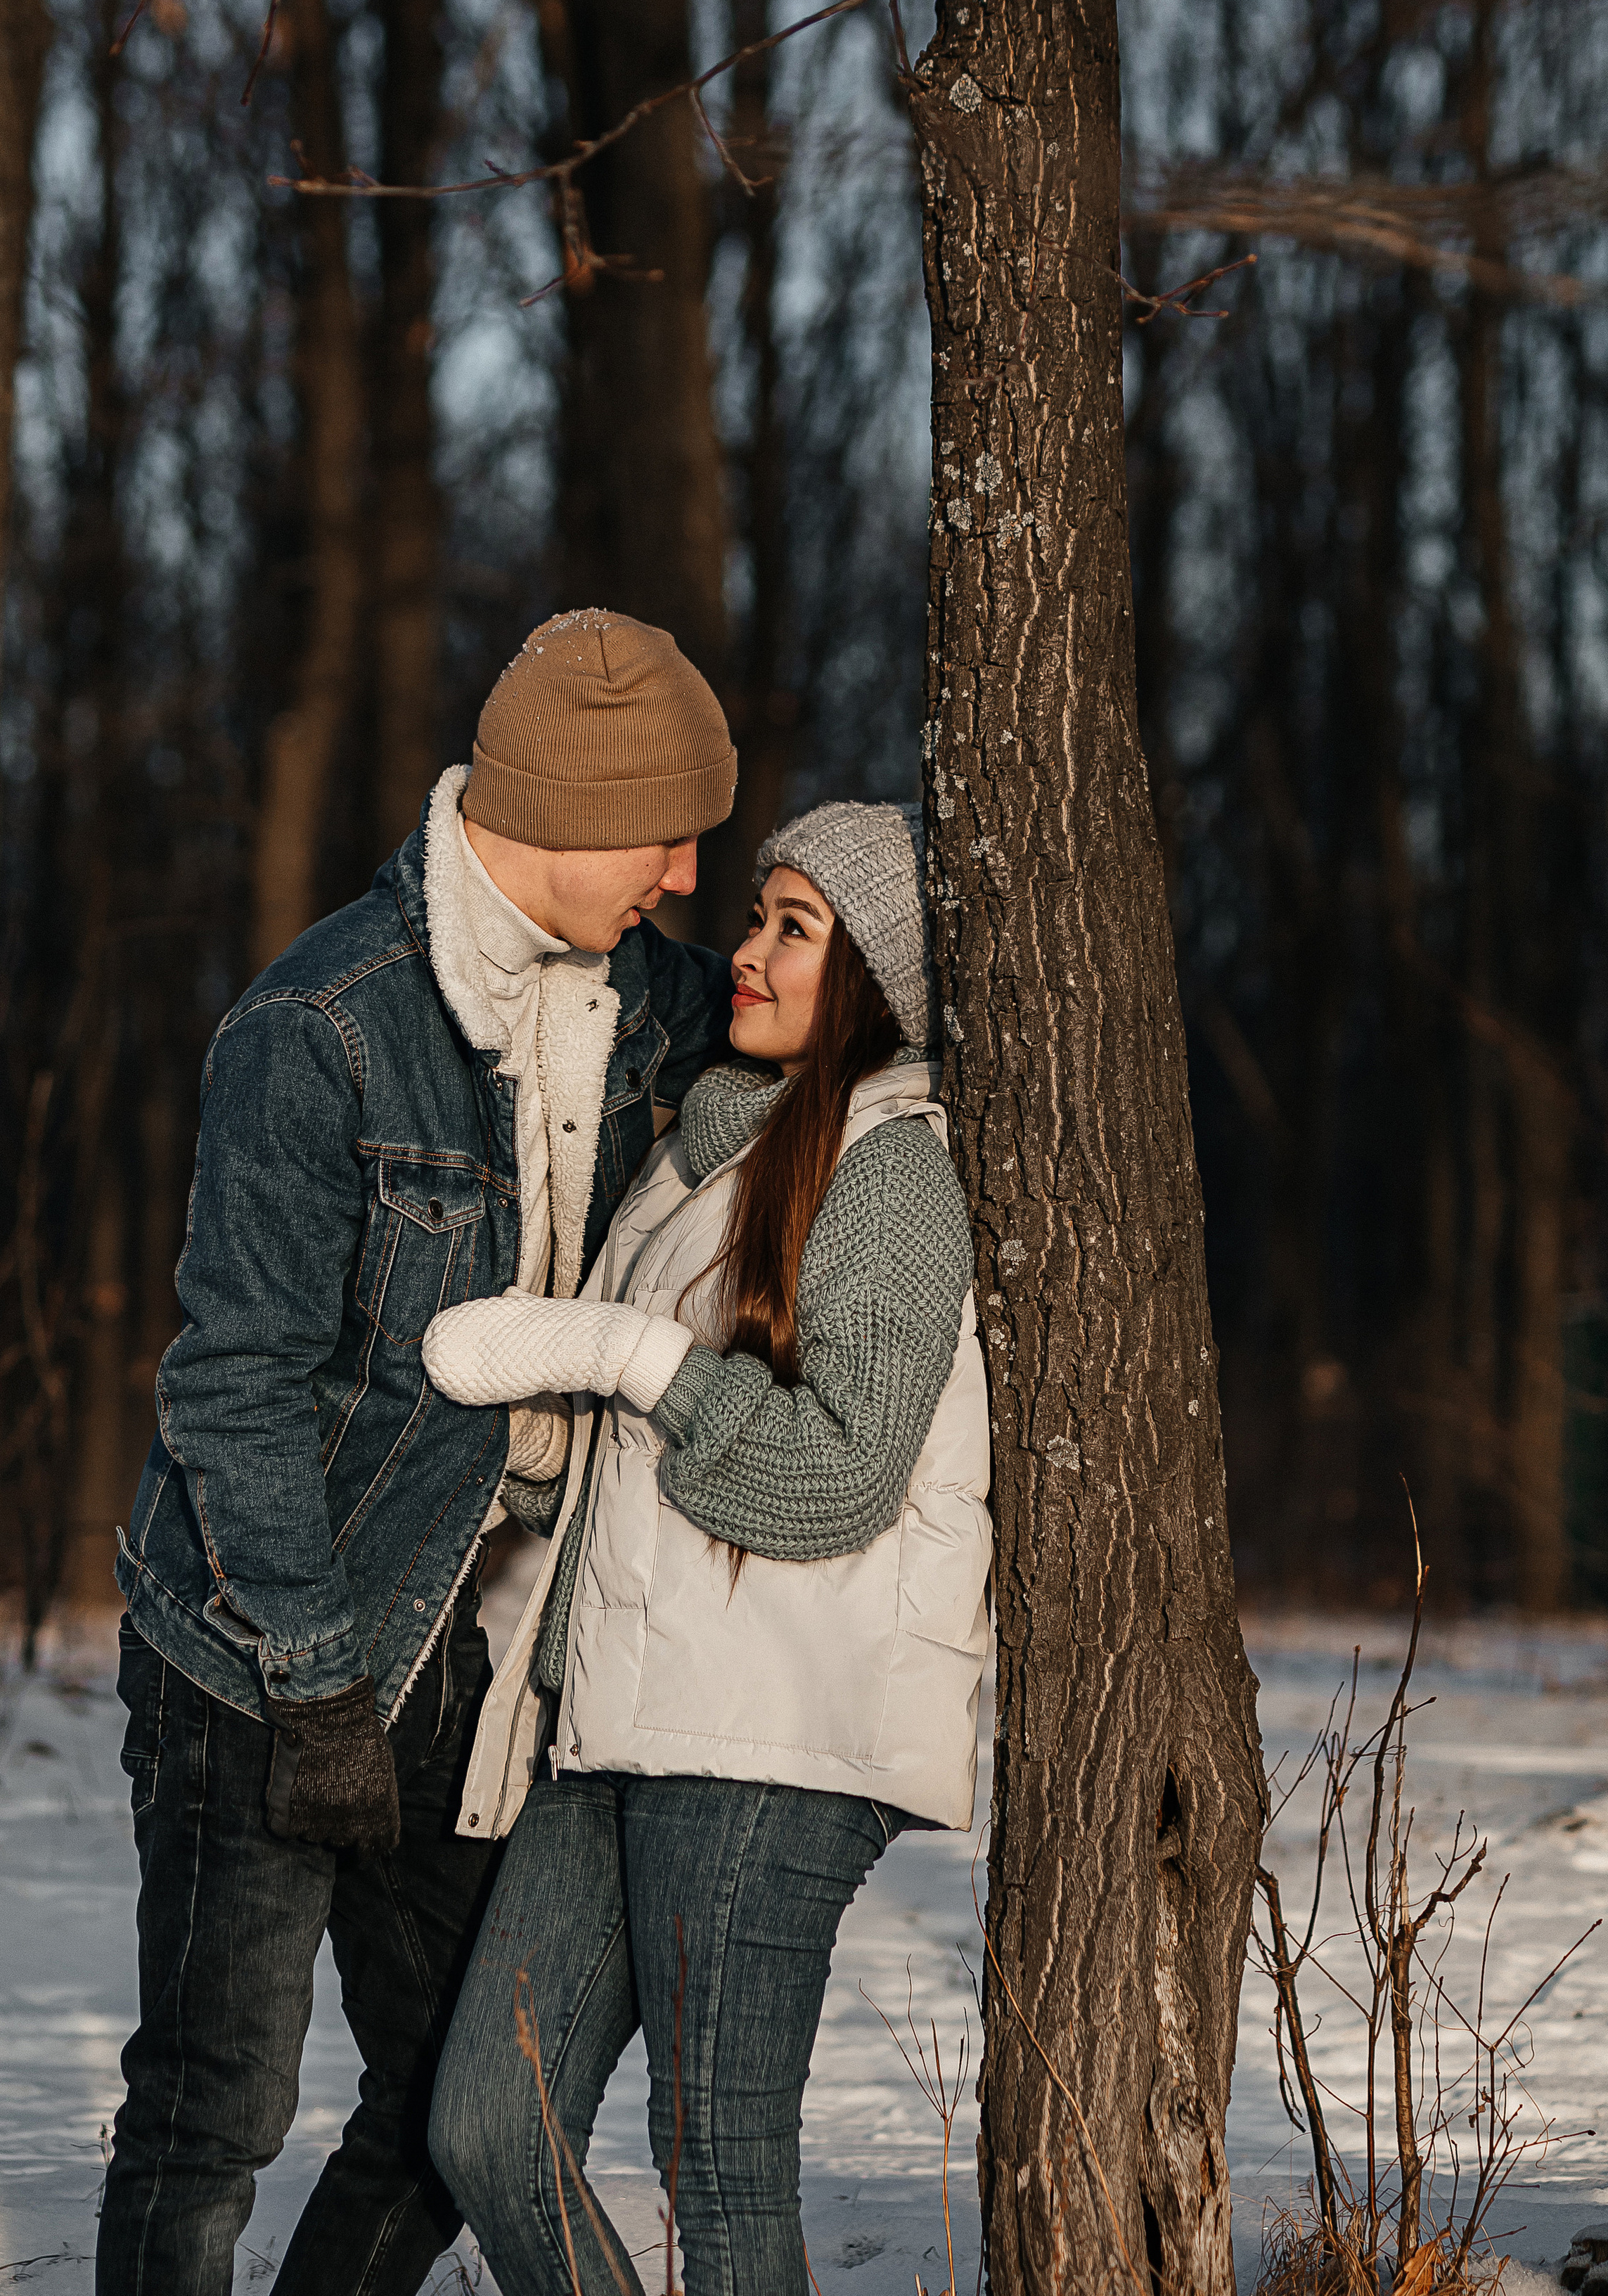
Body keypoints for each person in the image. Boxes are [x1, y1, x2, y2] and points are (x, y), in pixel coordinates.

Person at [96, 610, 738, 2296]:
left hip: (470, 1640)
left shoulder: (656, 1008)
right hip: (259, 1641)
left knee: (461, 2105)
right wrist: (314, 1689)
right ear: (567, 813)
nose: (686, 875)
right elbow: (232, 1384)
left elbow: (834, 1011)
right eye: (665, 833)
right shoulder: (322, 1028)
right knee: (213, 2111)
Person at [420, 800, 993, 2296]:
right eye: (755, 915)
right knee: (487, 2127)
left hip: (768, 1739)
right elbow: (648, 1456)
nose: (745, 951)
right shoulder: (707, 1149)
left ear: (876, 976)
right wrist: (538, 1463)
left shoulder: (893, 1171)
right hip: (619, 1711)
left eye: (794, 929)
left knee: (721, 2171)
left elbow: (838, 1476)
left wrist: (626, 1356)